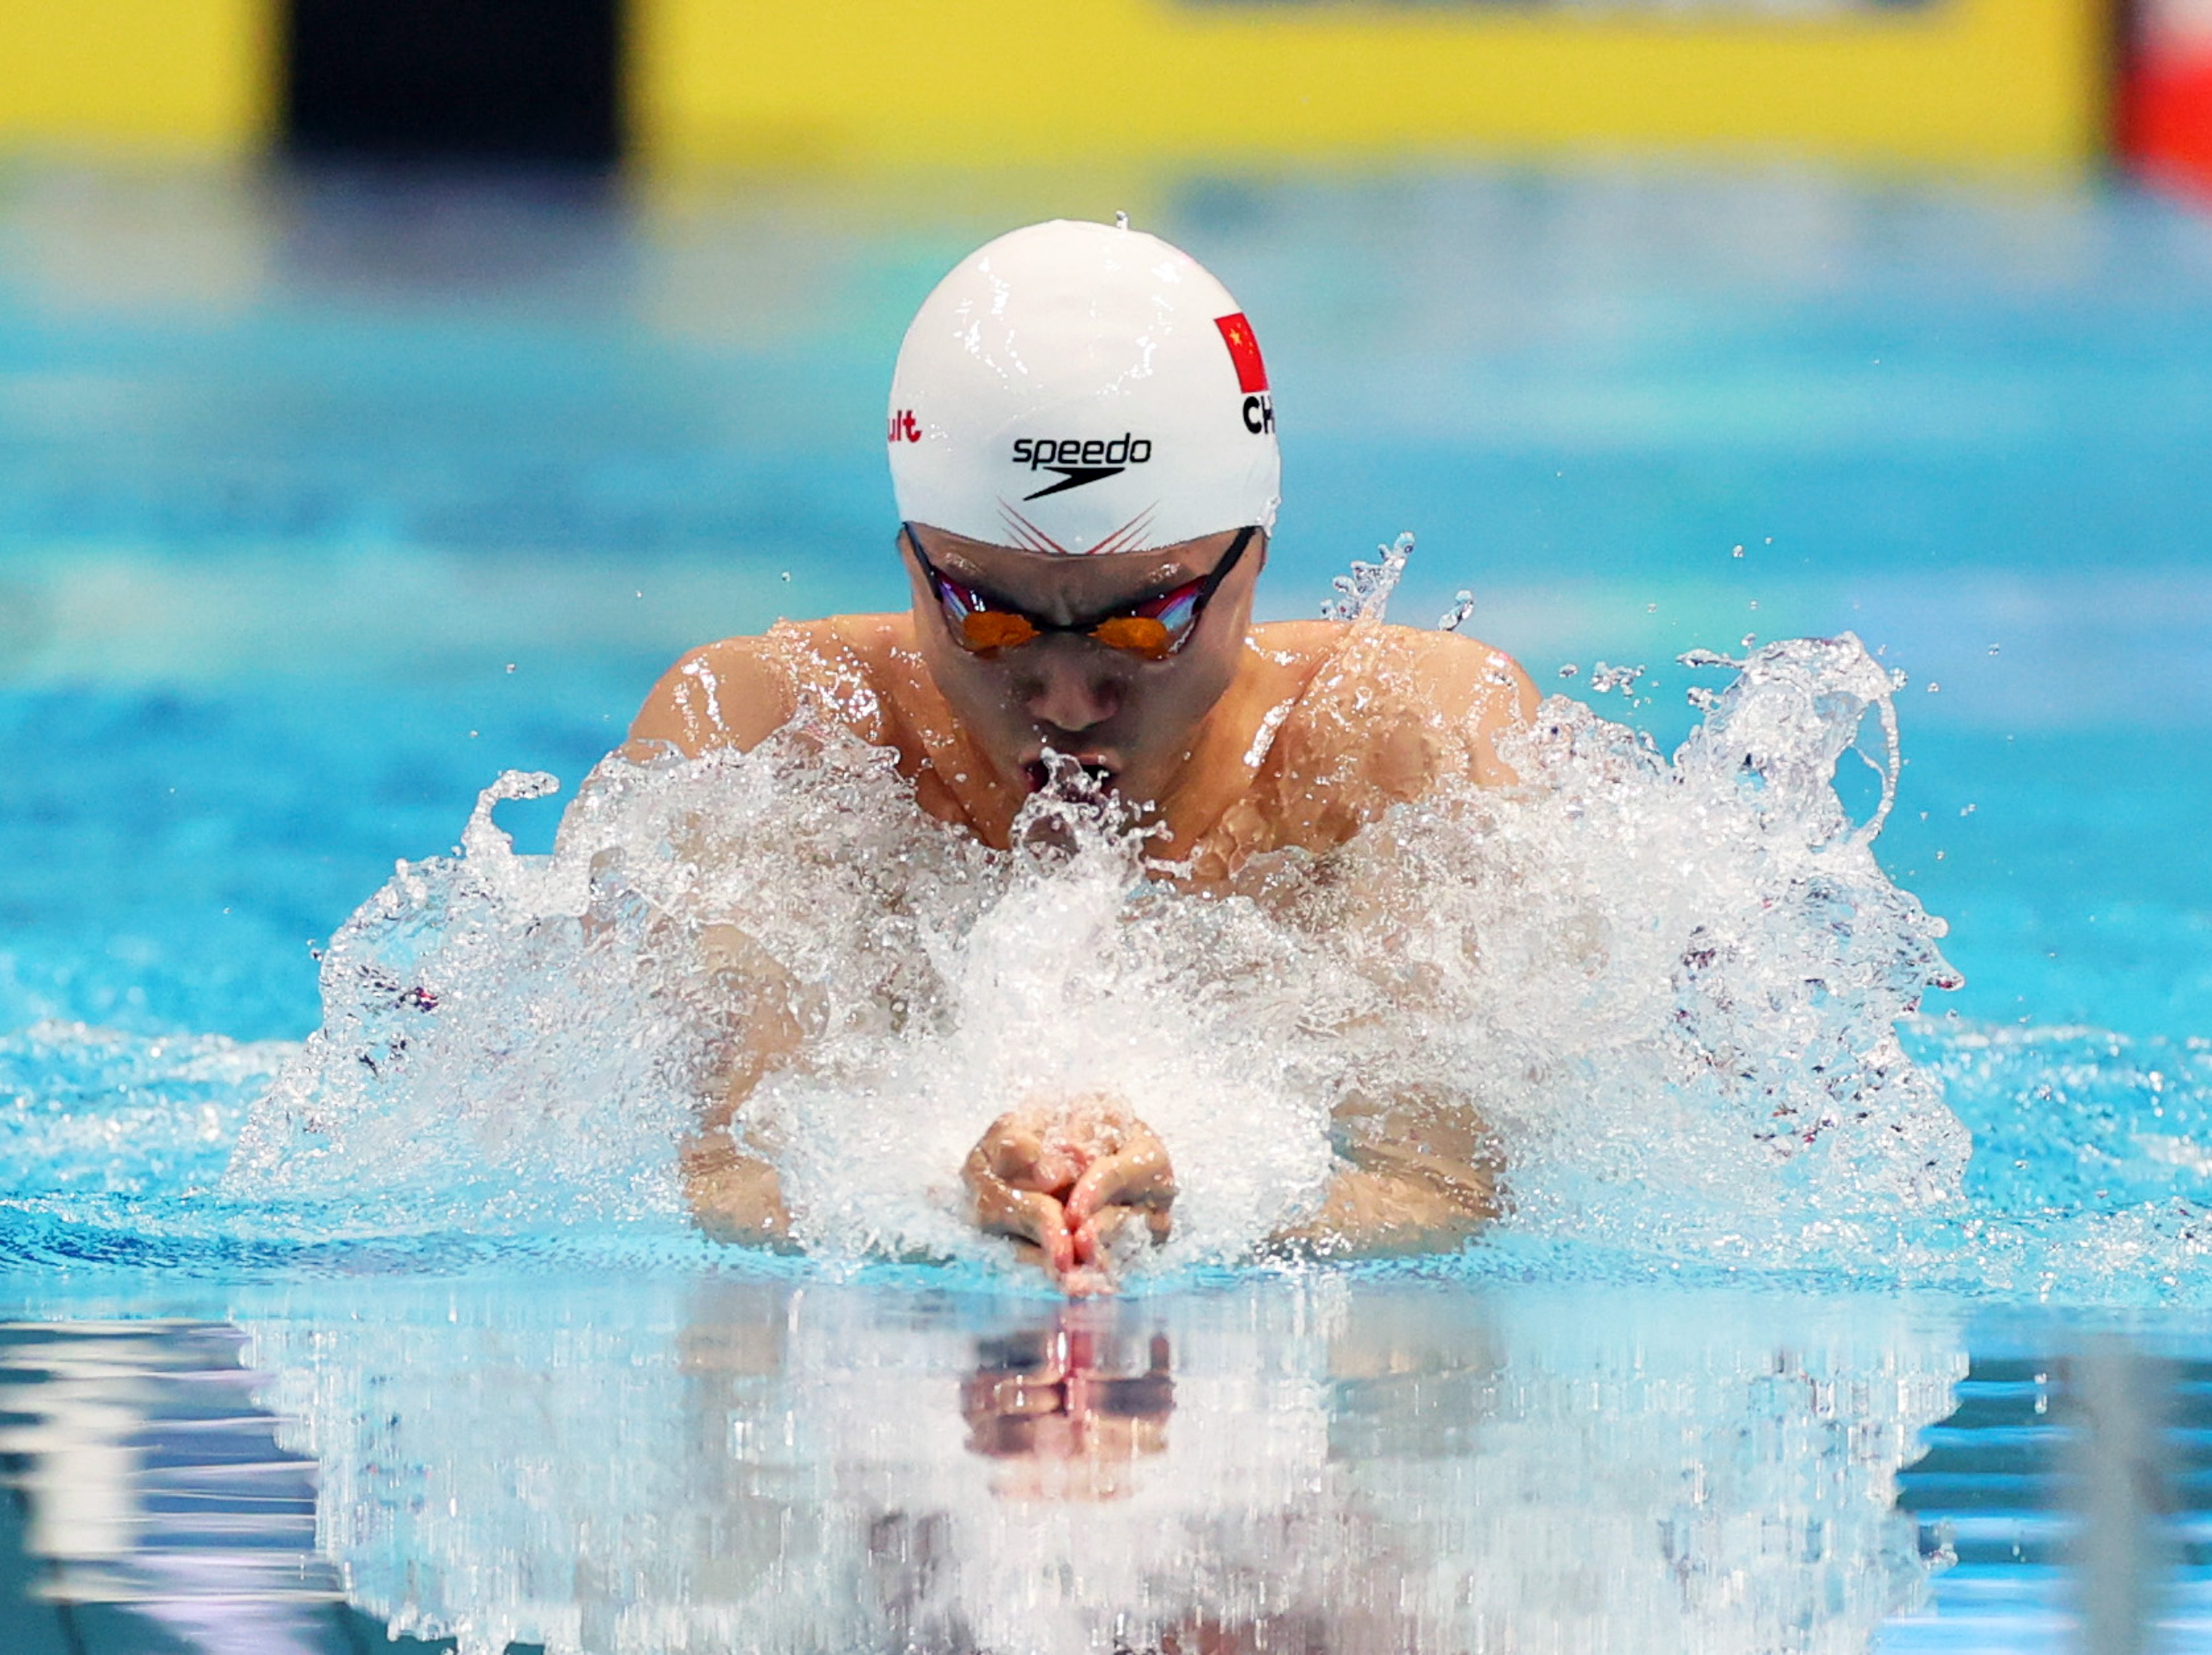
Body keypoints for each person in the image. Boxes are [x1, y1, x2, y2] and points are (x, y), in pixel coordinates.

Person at [624, 219, 1536, 1291]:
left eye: (1146, 622)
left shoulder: (1399, 750)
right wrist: (931, 1199)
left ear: (1255, 555)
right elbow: (730, 1180)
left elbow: (1441, 1194)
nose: (1066, 699)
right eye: (989, 617)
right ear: (913, 564)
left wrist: (1217, 1198)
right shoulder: (776, 741)